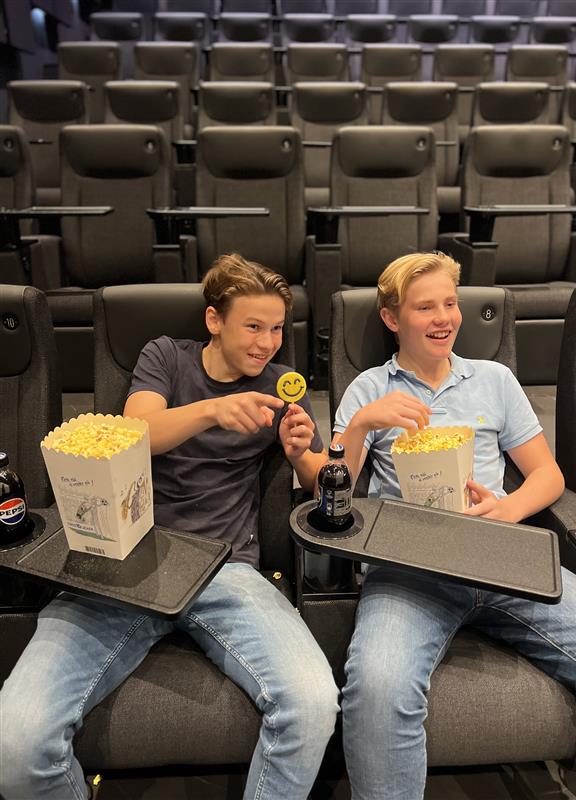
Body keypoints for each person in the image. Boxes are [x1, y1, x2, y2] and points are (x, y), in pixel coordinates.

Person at [0, 254, 338, 800]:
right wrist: (212, 410)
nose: (268, 343)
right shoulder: (166, 357)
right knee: (15, 745)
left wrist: (302, 454)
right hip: (124, 563)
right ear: (214, 320)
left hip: (225, 569)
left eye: (277, 329)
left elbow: (325, 485)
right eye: (254, 326)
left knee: (314, 704)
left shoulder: (281, 387)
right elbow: (136, 429)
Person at [332, 251, 576, 800]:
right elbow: (331, 493)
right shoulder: (368, 389)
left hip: (501, 556)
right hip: (410, 568)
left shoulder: (495, 380)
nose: (443, 318)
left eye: (450, 304)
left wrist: (510, 508)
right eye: (425, 307)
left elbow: (548, 475)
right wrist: (359, 426)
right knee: (377, 692)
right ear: (391, 318)